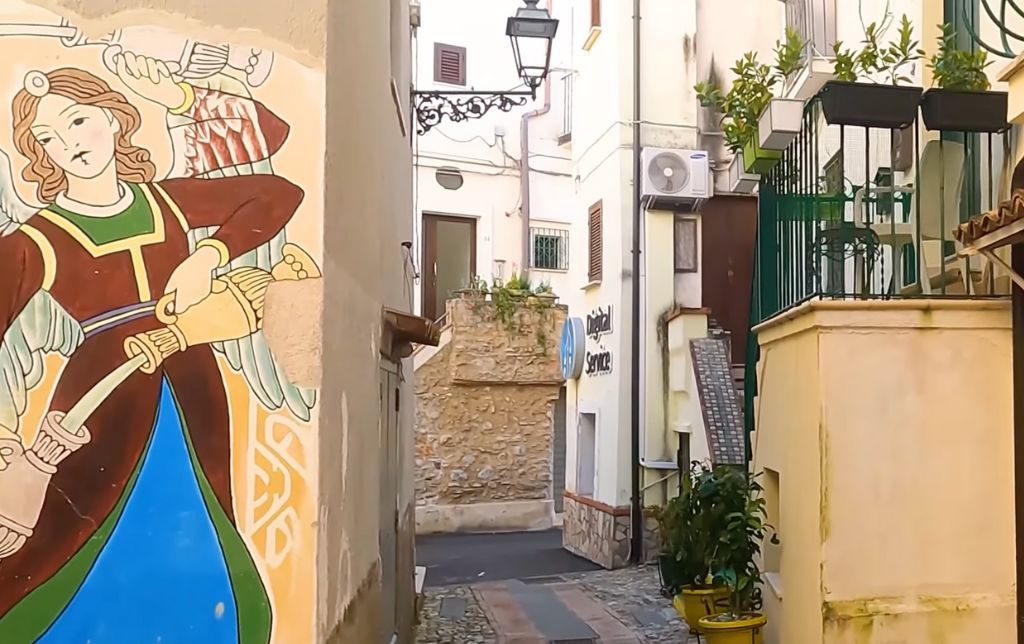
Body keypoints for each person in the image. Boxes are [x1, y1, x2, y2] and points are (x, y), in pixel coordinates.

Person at [0, 61, 302, 643]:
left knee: (200, 510)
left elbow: (278, 191)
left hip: (190, 380)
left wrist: (209, 255)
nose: (67, 145)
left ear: (114, 120)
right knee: (72, 528)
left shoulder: (167, 202)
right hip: (100, 396)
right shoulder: (38, 238)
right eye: (47, 139)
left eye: (78, 121)